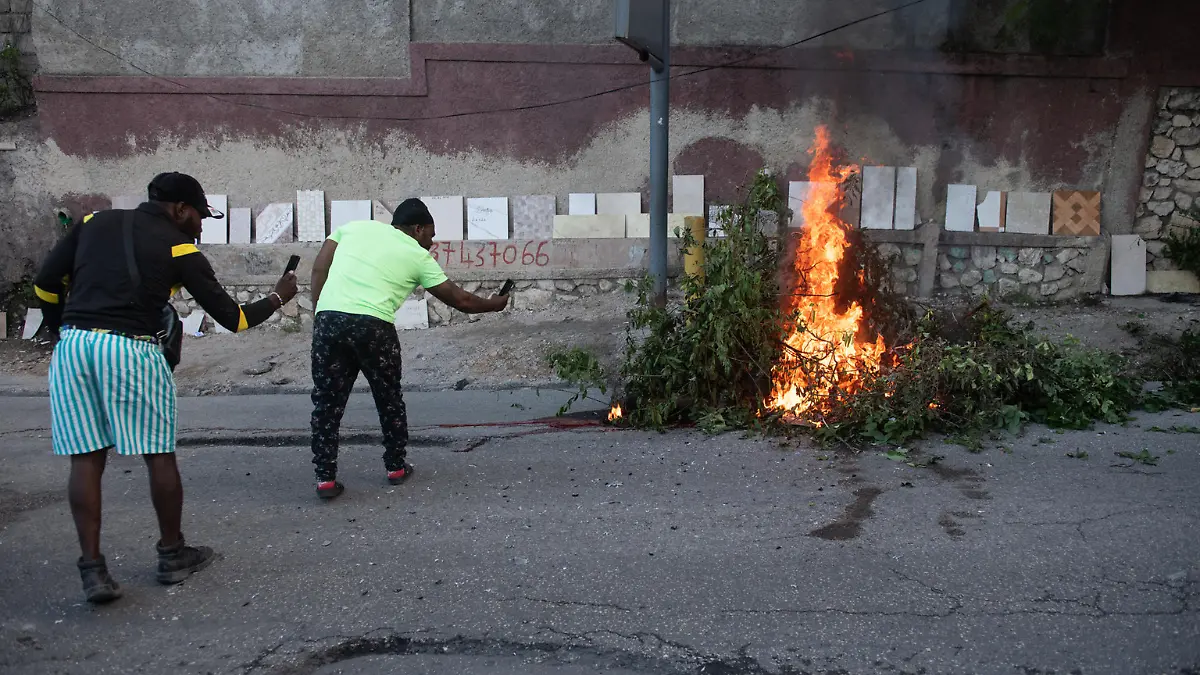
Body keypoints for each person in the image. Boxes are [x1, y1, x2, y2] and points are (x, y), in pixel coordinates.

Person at [33, 172, 299, 604]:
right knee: (158, 454)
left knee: (85, 456)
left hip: (74, 346)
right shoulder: (180, 249)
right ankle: (172, 554)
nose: (199, 226)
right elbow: (235, 319)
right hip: (131, 349)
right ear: (179, 209)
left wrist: (61, 327)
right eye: (199, 217)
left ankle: (93, 569)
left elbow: (45, 285)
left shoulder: (92, 222)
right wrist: (278, 298)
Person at [309, 198, 509, 499]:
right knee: (388, 397)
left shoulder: (354, 228)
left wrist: (320, 312)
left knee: (327, 402)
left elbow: (319, 267)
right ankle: (395, 467)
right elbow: (461, 301)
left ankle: (325, 478)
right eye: (431, 233)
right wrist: (495, 305)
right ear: (418, 229)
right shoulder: (417, 255)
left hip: (328, 321)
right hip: (373, 326)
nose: (432, 240)